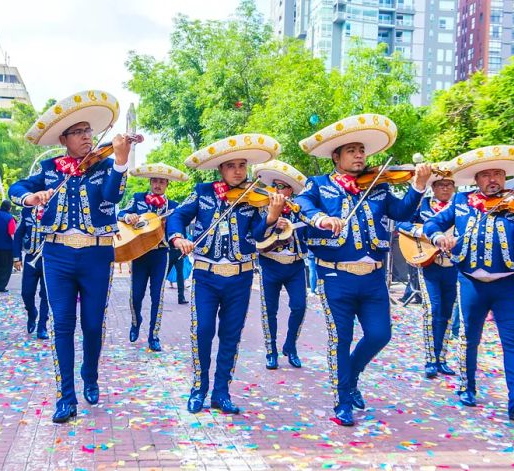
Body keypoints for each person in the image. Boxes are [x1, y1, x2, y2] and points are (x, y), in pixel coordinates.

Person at [295, 114, 431, 426]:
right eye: (352, 151)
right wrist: (320, 220)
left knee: (380, 334)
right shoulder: (318, 185)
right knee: (340, 339)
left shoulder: (378, 187)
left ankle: (352, 375)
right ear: (336, 156)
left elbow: (402, 211)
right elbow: (303, 205)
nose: (360, 156)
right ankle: (342, 401)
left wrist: (419, 186)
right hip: (335, 276)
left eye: (362, 151)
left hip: (373, 278)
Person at [9, 89, 133, 423]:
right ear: (63, 138)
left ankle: (89, 375)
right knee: (62, 324)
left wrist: (121, 162)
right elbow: (16, 188)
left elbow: (112, 194)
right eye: (78, 132)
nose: (86, 137)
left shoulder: (106, 165)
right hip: (58, 254)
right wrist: (31, 197)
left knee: (92, 325)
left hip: (96, 255)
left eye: (89, 131)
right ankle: (66, 397)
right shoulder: (50, 169)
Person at [424, 144, 514, 421]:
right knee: (469, 338)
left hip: (508, 284)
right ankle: (467, 387)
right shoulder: (461, 202)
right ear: (477, 179)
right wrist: (439, 238)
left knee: (512, 340)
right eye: (487, 174)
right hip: (470, 282)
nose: (493, 179)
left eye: (498, 174)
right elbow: (431, 224)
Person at [167, 133, 285, 415]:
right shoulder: (203, 192)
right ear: (220, 168)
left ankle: (222, 392)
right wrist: (177, 236)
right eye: (231, 165)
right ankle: (199, 388)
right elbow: (178, 215)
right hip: (206, 276)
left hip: (240, 277)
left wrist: (271, 216)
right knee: (203, 331)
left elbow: (258, 235)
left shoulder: (255, 198)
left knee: (231, 335)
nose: (238, 171)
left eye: (242, 165)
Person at [118, 163, 188, 352]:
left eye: (162, 182)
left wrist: (174, 231)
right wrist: (129, 217)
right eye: (155, 181)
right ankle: (135, 322)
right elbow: (120, 213)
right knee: (136, 295)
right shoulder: (138, 199)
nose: (158, 185)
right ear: (150, 182)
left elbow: (180, 226)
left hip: (161, 254)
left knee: (158, 296)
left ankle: (153, 335)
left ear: (167, 184)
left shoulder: (173, 207)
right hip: (139, 254)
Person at [397, 174, 458, 379]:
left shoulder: (461, 207)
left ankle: (442, 357)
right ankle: (430, 359)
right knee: (433, 309)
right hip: (429, 263)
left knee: (447, 311)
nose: (445, 188)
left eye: (449, 185)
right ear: (433, 186)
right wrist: (424, 234)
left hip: (453, 265)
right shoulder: (422, 205)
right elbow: (401, 224)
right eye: (441, 185)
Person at [252, 160, 309, 370]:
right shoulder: (262, 208)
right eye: (274, 186)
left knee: (300, 306)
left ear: (291, 190)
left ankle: (291, 346)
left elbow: (310, 233)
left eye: (282, 186)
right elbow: (256, 236)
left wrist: (292, 227)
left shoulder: (302, 208)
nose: (277, 190)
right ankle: (271, 350)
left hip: (295, 265)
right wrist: (273, 223)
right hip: (270, 265)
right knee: (269, 310)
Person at [13, 206, 49, 339]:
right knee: (26, 292)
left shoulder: (55, 207)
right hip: (31, 257)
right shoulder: (26, 211)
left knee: (46, 295)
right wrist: (16, 257)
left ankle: (42, 326)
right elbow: (18, 234)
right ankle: (32, 312)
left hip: (49, 259)